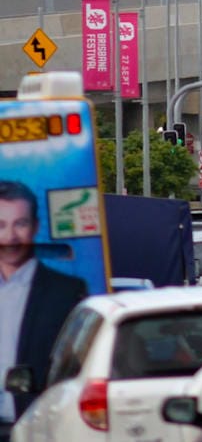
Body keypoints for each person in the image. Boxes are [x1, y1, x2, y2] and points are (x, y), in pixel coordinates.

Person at [0, 180, 88, 424]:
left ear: (35, 227)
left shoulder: (67, 292)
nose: (10, 237)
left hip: (42, 426)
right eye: (1, 225)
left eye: (20, 223)